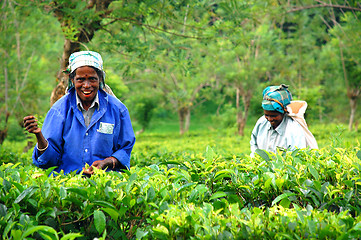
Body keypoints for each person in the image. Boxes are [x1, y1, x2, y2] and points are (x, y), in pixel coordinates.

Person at [23, 51, 136, 175]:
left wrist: (108, 162)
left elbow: (125, 149)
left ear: (100, 79)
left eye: (92, 79)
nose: (86, 85)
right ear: (72, 80)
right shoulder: (59, 111)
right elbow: (48, 161)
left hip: (105, 186)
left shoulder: (118, 110)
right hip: (67, 186)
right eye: (80, 79)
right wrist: (39, 135)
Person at [250, 84, 306, 157]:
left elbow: (297, 156)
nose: (269, 119)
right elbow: (254, 144)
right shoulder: (261, 123)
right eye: (266, 115)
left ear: (283, 112)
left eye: (274, 116)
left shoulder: (293, 130)